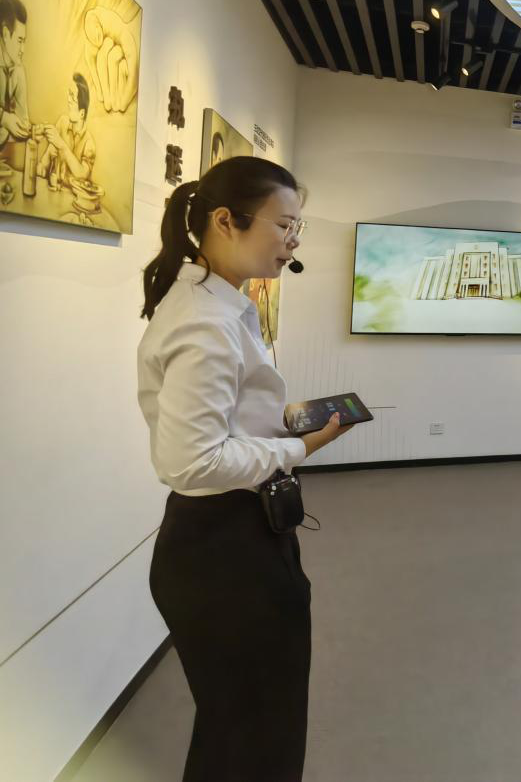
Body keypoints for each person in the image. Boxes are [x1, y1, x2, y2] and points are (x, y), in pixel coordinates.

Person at [137, 157, 351, 780]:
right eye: (283, 225)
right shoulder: (205, 320)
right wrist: (300, 447)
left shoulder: (221, 304)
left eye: (297, 228)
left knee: (245, 731)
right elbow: (193, 460)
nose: (292, 240)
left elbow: (224, 422)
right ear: (226, 221)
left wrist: (279, 422)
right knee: (253, 739)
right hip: (224, 554)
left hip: (239, 539)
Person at [35, 73, 96, 192]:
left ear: (82, 113)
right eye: (69, 94)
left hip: (74, 199)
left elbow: (82, 174)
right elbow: (44, 164)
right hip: (54, 193)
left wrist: (62, 145)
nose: (68, 100)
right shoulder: (62, 122)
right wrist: (42, 164)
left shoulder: (89, 143)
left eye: (73, 98)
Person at [0, 0, 31, 154]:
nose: (23, 50)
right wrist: (4, 118)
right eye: (19, 41)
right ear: (6, 34)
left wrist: (29, 130)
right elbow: (8, 121)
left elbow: (22, 121)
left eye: (24, 42)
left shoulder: (19, 71)